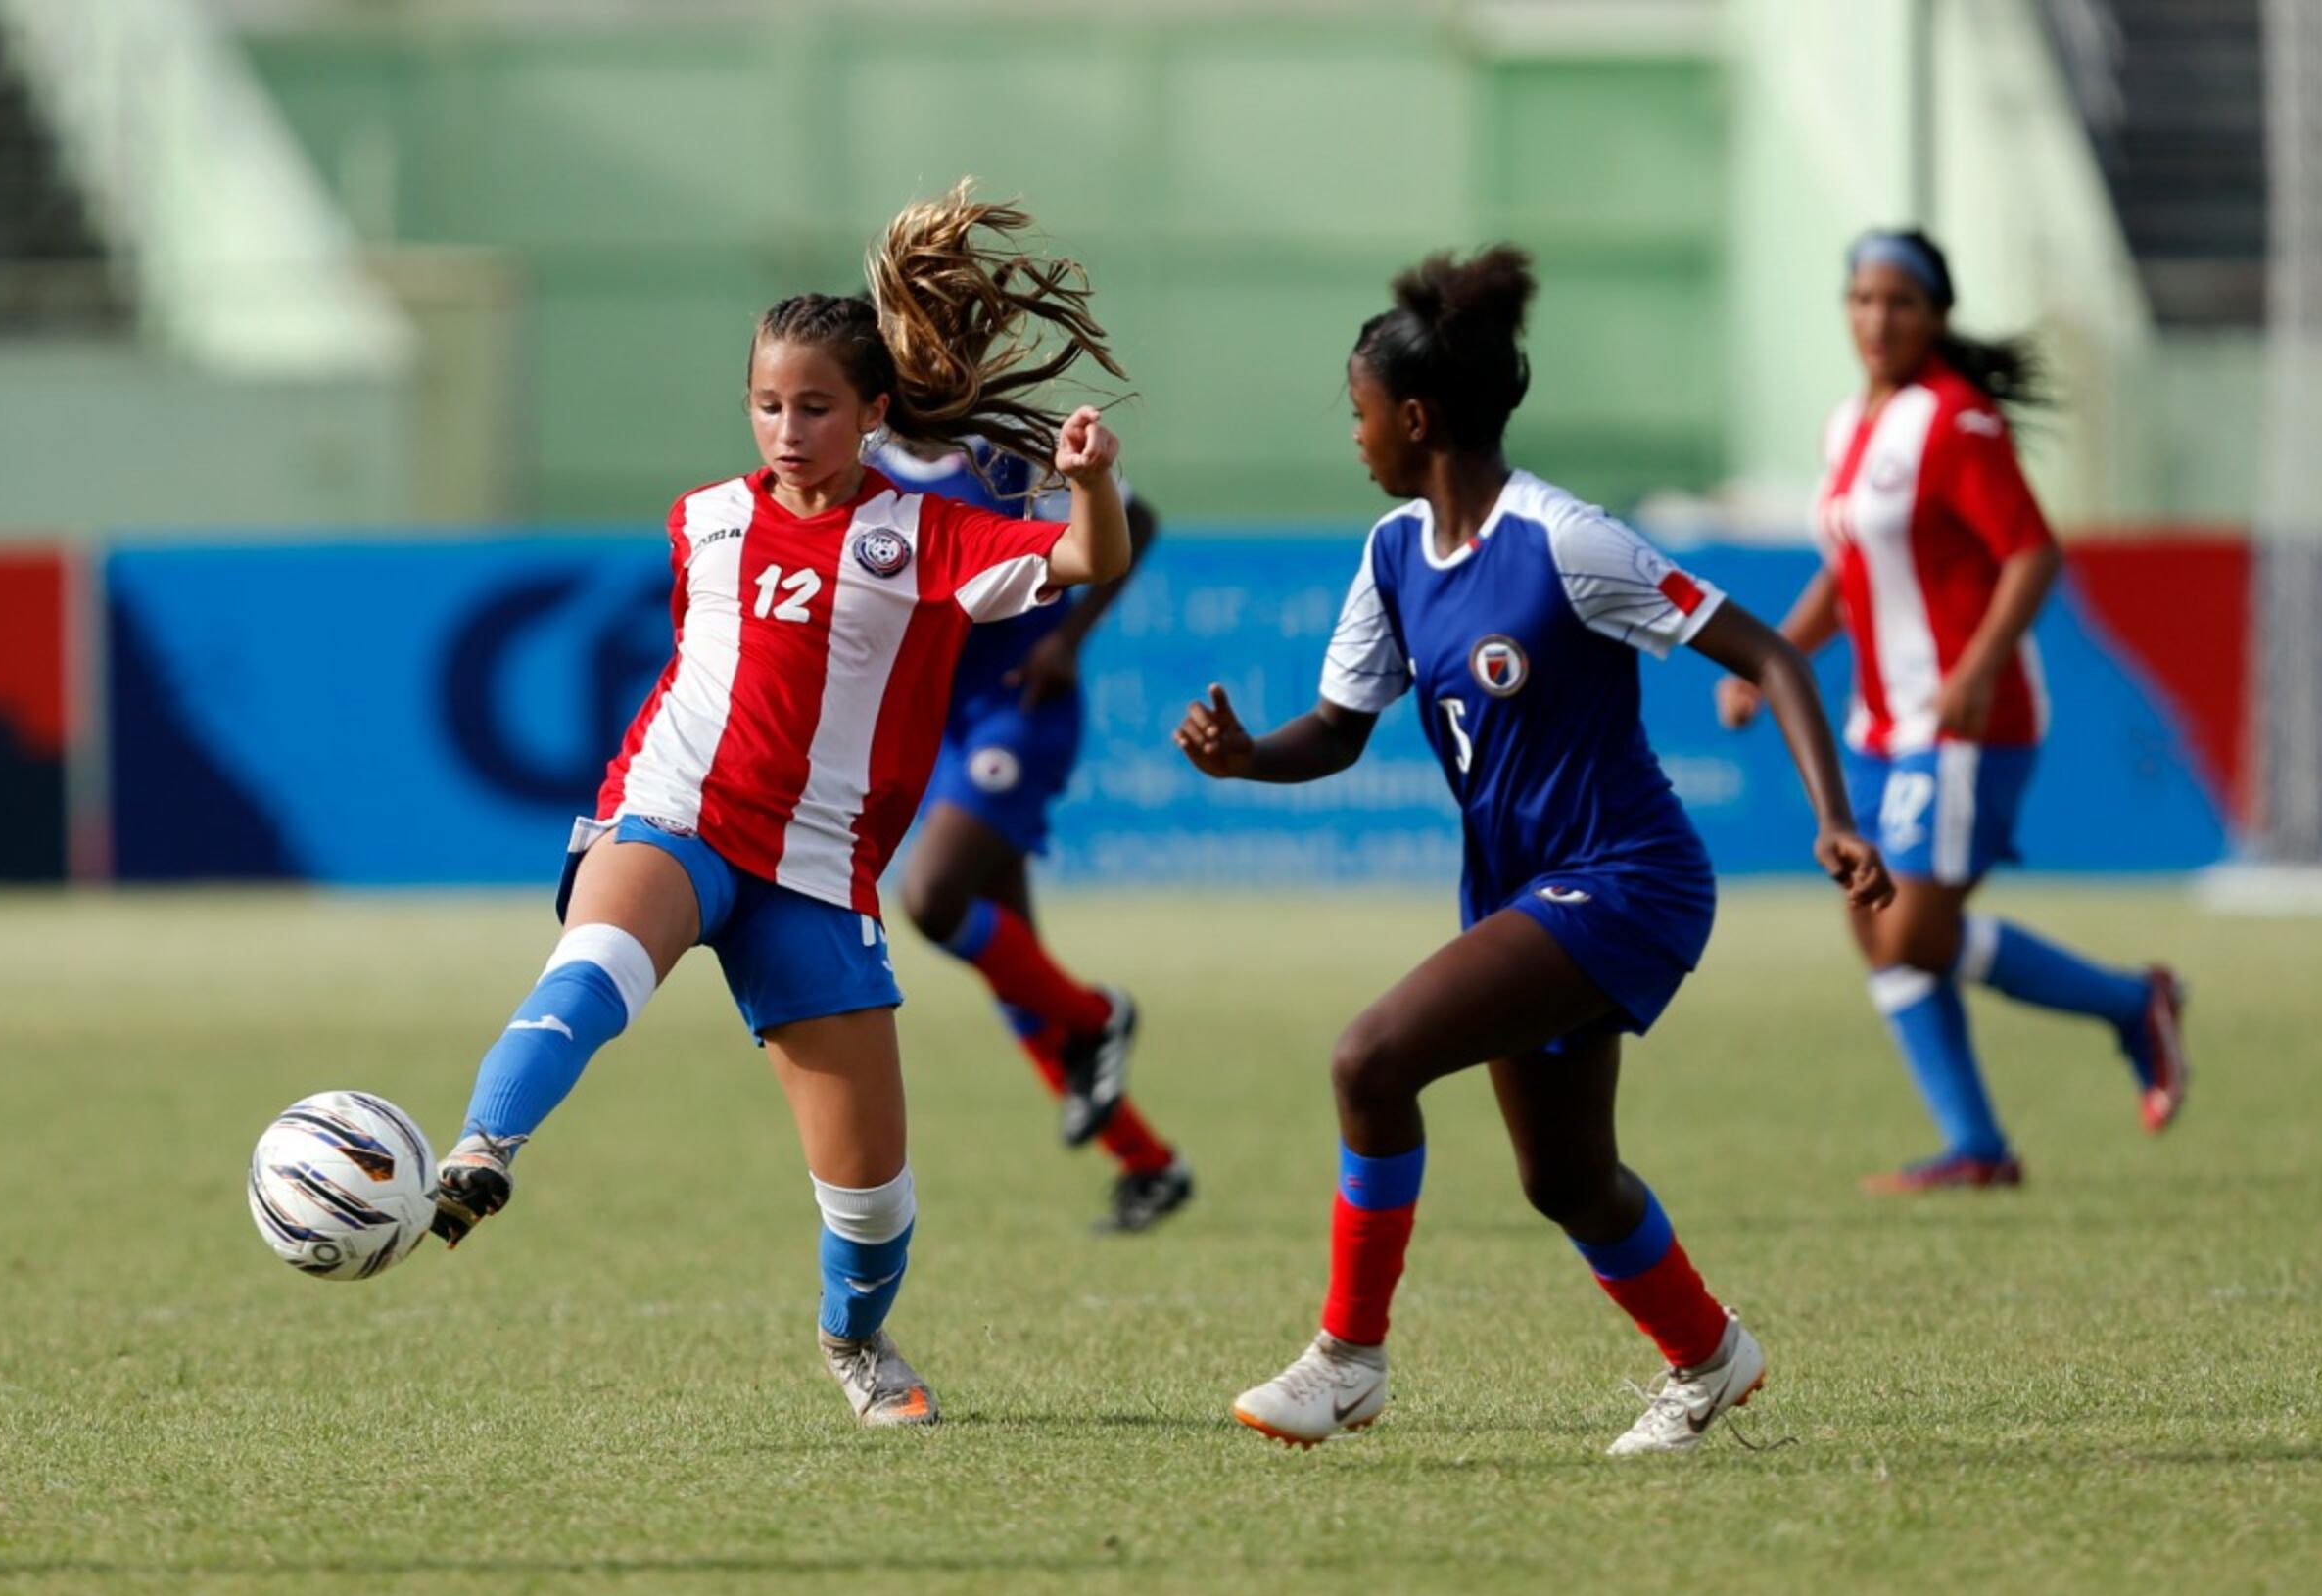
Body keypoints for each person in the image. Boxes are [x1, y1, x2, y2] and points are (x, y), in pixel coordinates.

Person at [425, 183, 1132, 1428]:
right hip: (674, 815)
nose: (787, 429)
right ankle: (483, 1148)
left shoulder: (924, 534)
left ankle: (854, 1340)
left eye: (815, 407)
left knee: (871, 1201)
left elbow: (1089, 563)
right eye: (767, 404)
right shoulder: (700, 520)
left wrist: (1087, 485)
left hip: (814, 870)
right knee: (592, 966)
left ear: (872, 413)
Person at [1175, 246, 1892, 1455]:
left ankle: (1347, 1360)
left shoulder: (1568, 542)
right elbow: (1341, 731)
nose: (1350, 437)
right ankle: (1710, 1354)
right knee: (1564, 1175)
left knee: (1369, 1059)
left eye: (1357, 413)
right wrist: (1248, 756)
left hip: (1627, 878)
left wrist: (1833, 815)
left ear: (1414, 417)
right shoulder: (1395, 554)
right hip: (1522, 892)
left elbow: (1769, 654)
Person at [1716, 229, 2189, 1194]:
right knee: (1876, 922)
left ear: (1934, 316)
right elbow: (1850, 576)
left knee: (1912, 933)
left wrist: (1975, 666)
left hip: (1965, 725)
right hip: (1884, 724)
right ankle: (1974, 1144)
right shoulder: (1850, 424)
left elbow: (2031, 551)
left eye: (1898, 301)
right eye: (1860, 299)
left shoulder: (1957, 420)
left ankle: (2132, 1003)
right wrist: (1771, 661)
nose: (1876, 318)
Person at [871, 433, 1193, 1232]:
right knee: (1013, 957)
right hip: (941, 723)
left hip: (1020, 707)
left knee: (935, 898)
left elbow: (1136, 519)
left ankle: (1096, 1017)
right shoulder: (863, 460)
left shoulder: (1003, 456)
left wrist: (1067, 639)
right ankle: (1148, 1164)